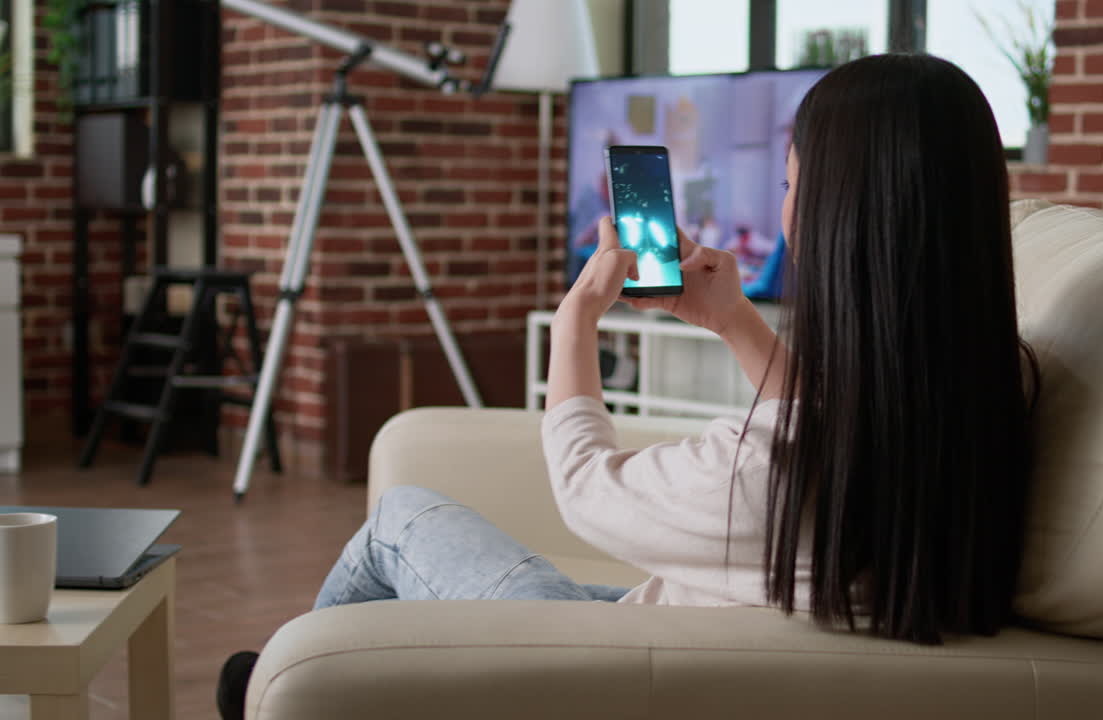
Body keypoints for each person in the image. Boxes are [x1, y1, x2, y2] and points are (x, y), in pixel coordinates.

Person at [216, 54, 1038, 718]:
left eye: (790, 187)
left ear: (840, 214)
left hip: (622, 665)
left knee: (401, 521)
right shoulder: (994, 390)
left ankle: (278, 693)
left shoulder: (769, 477)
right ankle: (320, 688)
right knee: (426, 607)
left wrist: (578, 314)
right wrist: (733, 323)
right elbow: (835, 422)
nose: (787, 206)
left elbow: (583, 486)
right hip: (722, 628)